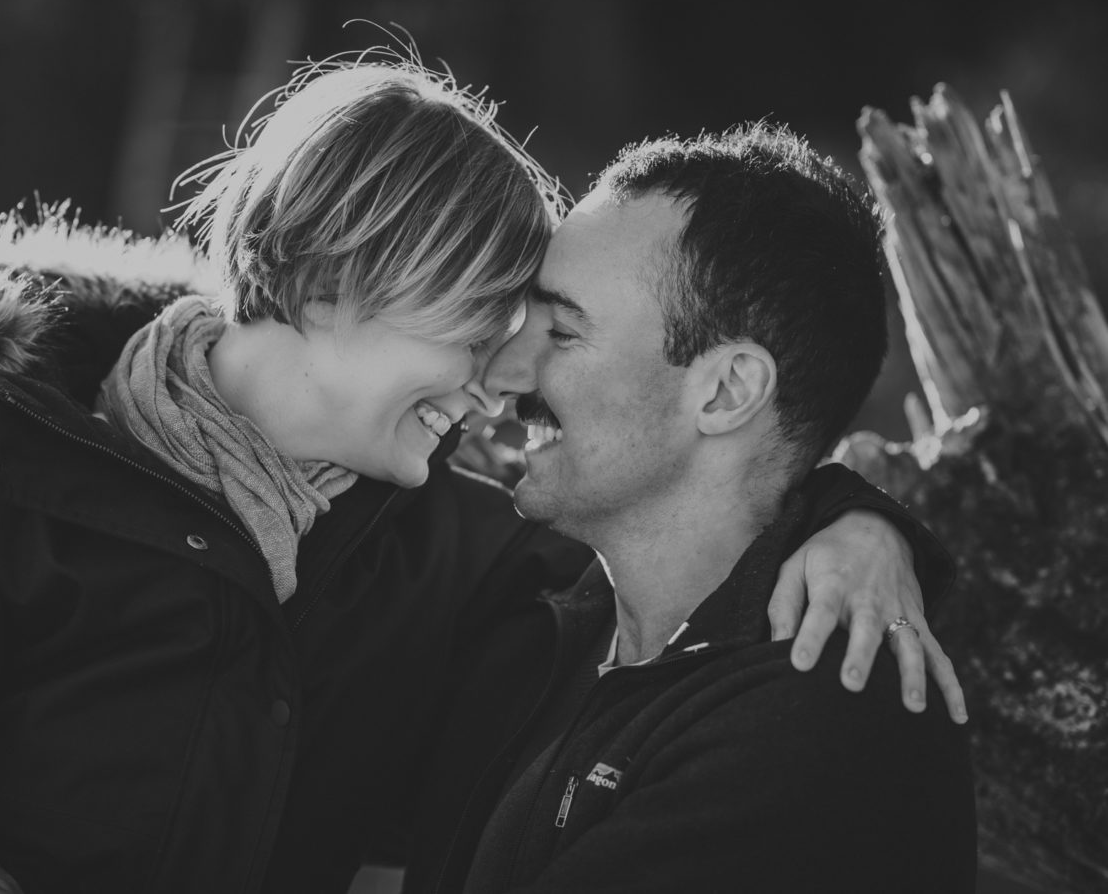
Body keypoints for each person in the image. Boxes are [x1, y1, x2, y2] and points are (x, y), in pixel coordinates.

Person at [0, 58, 954, 894]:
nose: (502, 379)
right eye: (482, 327)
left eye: (547, 329)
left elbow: (713, 522)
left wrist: (859, 519)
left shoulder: (454, 543)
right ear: (332, 282)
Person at [403, 125, 975, 894]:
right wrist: (864, 517)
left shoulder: (812, 727)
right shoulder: (545, 617)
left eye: (564, 331)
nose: (500, 371)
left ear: (727, 391)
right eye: (518, 320)